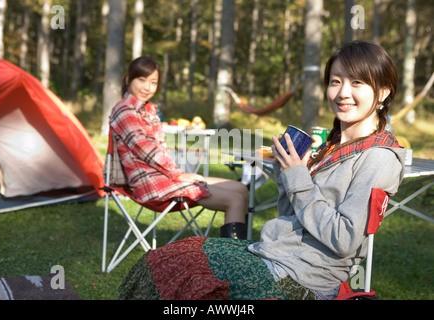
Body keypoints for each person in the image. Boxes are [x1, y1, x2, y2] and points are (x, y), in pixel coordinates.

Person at [118, 41, 406, 300]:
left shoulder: (379, 158)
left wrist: (299, 177)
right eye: (336, 81)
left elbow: (345, 239)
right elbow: (290, 217)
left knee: (186, 276)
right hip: (272, 255)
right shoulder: (331, 147)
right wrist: (287, 173)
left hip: (302, 280)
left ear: (383, 92)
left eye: (357, 82)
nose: (343, 93)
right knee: (163, 260)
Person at [108, 56, 248, 239]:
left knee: (240, 189)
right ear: (128, 80)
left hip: (165, 178)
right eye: (141, 80)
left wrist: (176, 175)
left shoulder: (147, 110)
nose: (147, 87)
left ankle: (245, 251)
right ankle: (234, 263)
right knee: (234, 199)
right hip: (151, 185)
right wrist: (178, 175)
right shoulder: (124, 110)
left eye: (153, 82)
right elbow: (144, 148)